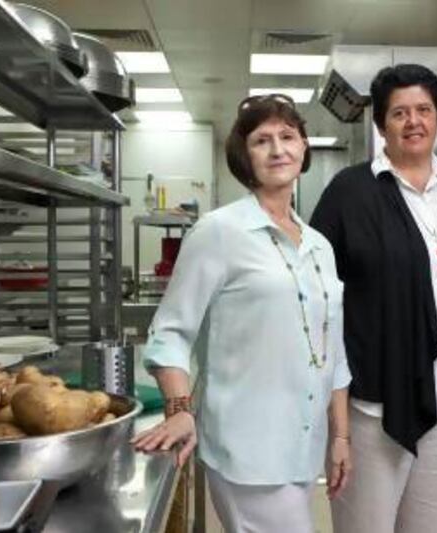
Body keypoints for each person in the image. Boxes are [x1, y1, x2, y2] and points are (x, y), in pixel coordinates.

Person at [132, 93, 352, 533]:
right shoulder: (218, 232)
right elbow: (170, 332)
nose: (277, 149)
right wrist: (179, 408)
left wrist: (340, 436)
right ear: (243, 156)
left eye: (288, 136)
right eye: (261, 140)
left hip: (304, 446)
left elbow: (333, 353)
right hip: (247, 448)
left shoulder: (319, 246)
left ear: (304, 148)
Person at [310, 64, 437, 533]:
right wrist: (337, 425)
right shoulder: (349, 193)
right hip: (373, 408)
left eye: (424, 110)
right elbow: (315, 299)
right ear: (381, 125)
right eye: (399, 113)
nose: (414, 121)